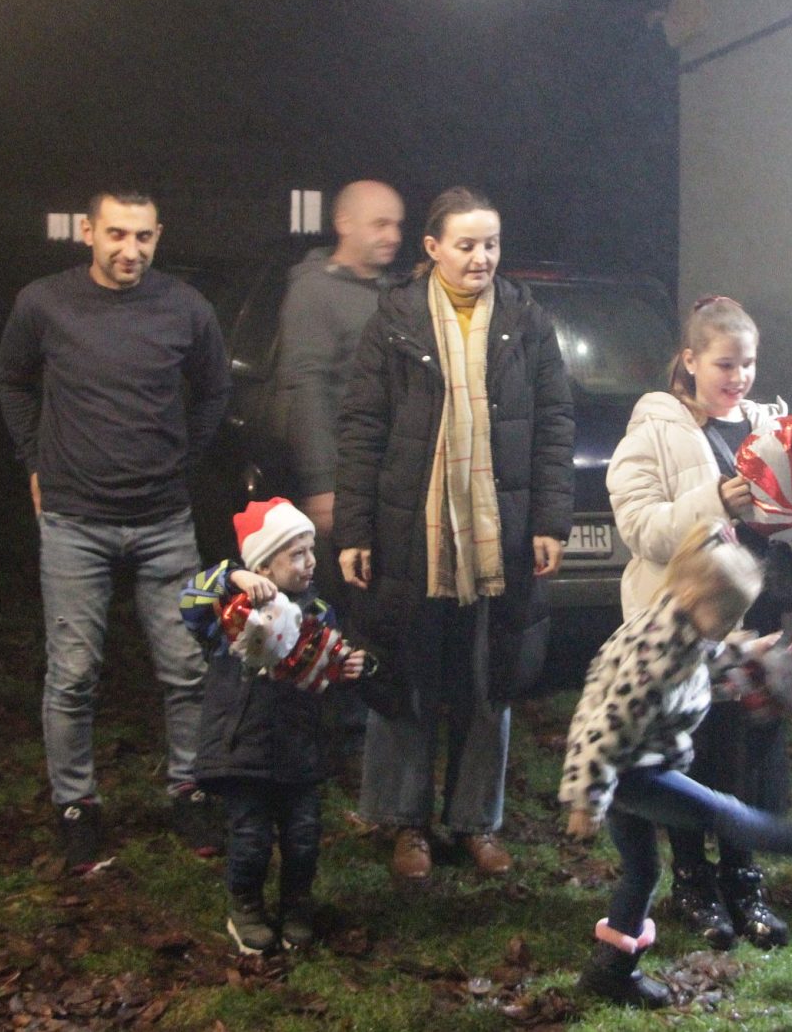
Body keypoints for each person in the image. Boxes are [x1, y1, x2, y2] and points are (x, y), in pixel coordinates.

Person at [604, 294, 792, 949]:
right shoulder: (653, 431)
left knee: (753, 757)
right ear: (690, 360)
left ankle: (744, 880)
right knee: (689, 754)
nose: (739, 377)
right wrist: (714, 499)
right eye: (725, 364)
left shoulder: (775, 427)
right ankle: (694, 884)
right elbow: (642, 530)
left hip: (766, 620)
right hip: (692, 625)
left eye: (748, 364)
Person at [335, 186, 574, 880]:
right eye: (466, 245)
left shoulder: (526, 321)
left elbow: (553, 423)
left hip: (500, 535)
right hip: (412, 532)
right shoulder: (395, 321)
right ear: (432, 247)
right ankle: (405, 821)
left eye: (491, 244)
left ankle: (476, 821)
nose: (481, 258)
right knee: (405, 674)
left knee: (487, 676)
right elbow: (362, 426)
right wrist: (354, 529)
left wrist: (549, 520)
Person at [0, 187, 231, 873]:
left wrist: (184, 457)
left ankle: (189, 790)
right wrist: (35, 460)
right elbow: (11, 378)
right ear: (88, 232)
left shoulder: (186, 306)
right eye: (117, 234)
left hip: (164, 519)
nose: (131, 250)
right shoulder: (44, 302)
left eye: (144, 236)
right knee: (72, 673)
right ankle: (76, 805)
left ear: (159, 236)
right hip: (75, 520)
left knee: (187, 667)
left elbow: (215, 389)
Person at [561, 519, 792, 1009]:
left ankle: (610, 970)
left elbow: (702, 655)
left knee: (643, 871)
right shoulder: (656, 655)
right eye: (728, 614)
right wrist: (587, 799)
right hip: (628, 772)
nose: (732, 622)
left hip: (629, 766)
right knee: (721, 812)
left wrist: (743, 651)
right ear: (696, 596)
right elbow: (605, 729)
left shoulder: (677, 623)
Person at [181, 498, 368, 955]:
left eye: (311, 550)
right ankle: (245, 907)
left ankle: (297, 906)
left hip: (299, 747)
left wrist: (349, 667)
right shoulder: (232, 610)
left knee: (303, 836)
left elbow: (326, 665)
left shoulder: (317, 611)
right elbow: (189, 600)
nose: (311, 562)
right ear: (263, 564)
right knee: (251, 837)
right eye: (297, 554)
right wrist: (233, 575)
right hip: (243, 747)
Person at [271, 179, 405, 752]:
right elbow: (306, 387)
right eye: (380, 224)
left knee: (377, 600)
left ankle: (375, 717)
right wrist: (321, 481)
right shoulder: (314, 293)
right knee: (340, 602)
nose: (393, 235)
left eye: (398, 224)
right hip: (343, 480)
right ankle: (335, 729)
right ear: (344, 224)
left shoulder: (393, 291)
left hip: (389, 477)